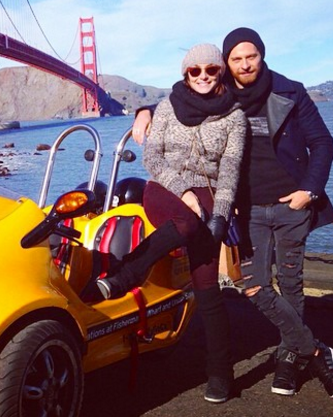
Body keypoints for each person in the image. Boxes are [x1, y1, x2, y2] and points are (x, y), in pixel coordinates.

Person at [133, 27, 333, 400]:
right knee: (253, 285)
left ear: (262, 56)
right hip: (247, 210)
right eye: (237, 58)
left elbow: (322, 143)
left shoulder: (290, 92)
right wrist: (143, 111)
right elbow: (184, 97)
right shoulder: (222, 94)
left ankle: (289, 359)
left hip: (291, 205)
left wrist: (308, 192)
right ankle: (313, 350)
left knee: (291, 285)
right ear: (227, 63)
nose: (245, 64)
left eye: (252, 56)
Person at [85, 43, 247, 404]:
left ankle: (221, 373)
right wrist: (183, 191)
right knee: (186, 224)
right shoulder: (168, 108)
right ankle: (130, 272)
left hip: (209, 194)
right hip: (163, 187)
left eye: (211, 69)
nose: (203, 76)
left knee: (208, 288)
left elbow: (230, 170)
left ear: (220, 72)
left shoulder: (234, 116)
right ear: (185, 74)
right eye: (195, 70)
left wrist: (221, 214)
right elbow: (153, 159)